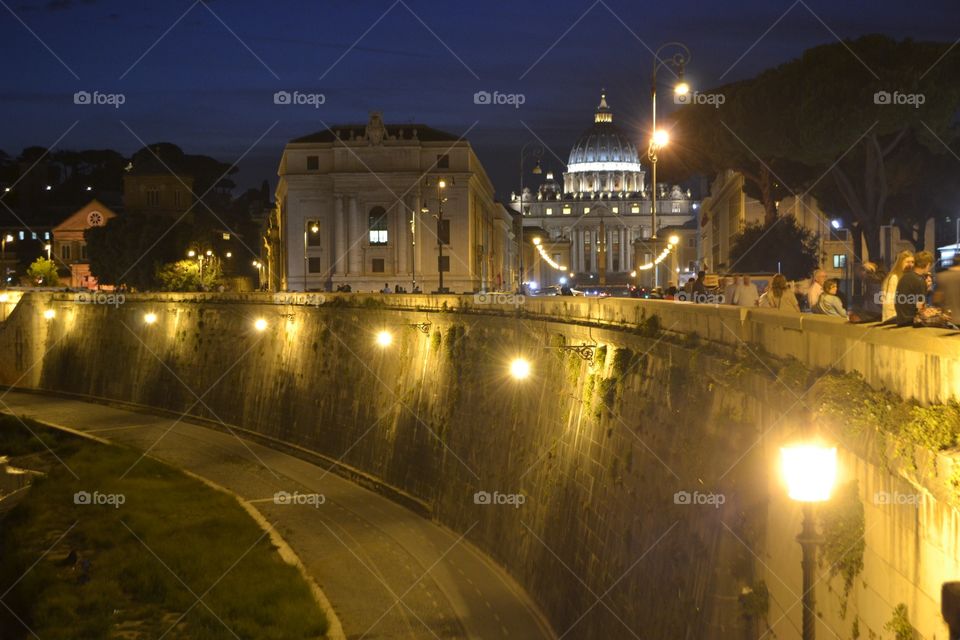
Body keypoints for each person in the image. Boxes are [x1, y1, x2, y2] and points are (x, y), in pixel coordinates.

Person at [895, 251, 933, 326]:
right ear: (928, 265)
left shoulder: (905, 276)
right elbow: (920, 308)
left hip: (901, 319)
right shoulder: (919, 280)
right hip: (911, 322)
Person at [881, 250, 914, 322]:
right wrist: (894, 318)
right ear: (900, 263)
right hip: (893, 317)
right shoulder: (894, 278)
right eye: (908, 262)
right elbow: (890, 300)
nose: (911, 265)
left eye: (912, 262)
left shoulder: (904, 276)